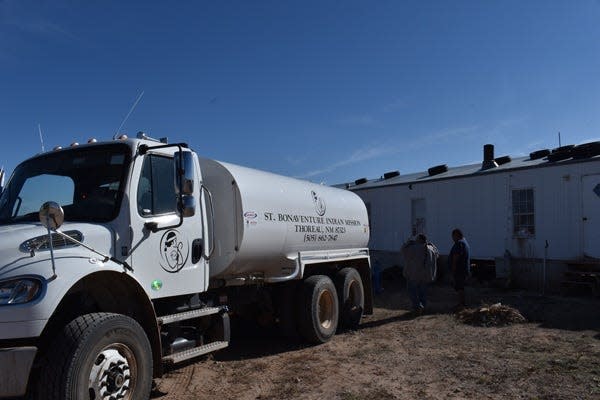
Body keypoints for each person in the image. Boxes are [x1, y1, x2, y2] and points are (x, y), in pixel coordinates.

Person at [401, 234, 439, 314]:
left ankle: (418, 307)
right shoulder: (430, 248)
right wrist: (432, 244)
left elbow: (403, 251)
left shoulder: (413, 248)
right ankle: (423, 307)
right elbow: (437, 254)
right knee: (423, 292)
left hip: (414, 274)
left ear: (419, 240)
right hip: (425, 275)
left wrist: (408, 243)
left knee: (412, 291)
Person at [449, 228, 470, 309]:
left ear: (456, 235)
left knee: (459, 287)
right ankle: (462, 303)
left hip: (459, 270)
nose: (452, 238)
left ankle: (461, 304)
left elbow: (456, 257)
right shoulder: (464, 243)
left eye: (453, 236)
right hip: (463, 269)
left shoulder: (459, 243)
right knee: (460, 287)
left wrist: (453, 269)